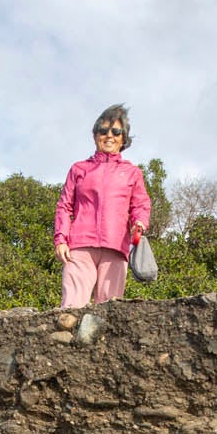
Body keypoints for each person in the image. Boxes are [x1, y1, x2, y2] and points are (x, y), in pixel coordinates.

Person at [54, 104, 151, 308]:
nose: (109, 135)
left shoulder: (132, 172)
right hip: (79, 246)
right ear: (95, 135)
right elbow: (64, 206)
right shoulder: (79, 169)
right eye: (103, 130)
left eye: (116, 131)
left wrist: (140, 224)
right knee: (71, 307)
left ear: (123, 138)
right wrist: (61, 239)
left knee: (109, 308)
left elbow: (140, 204)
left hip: (116, 246)